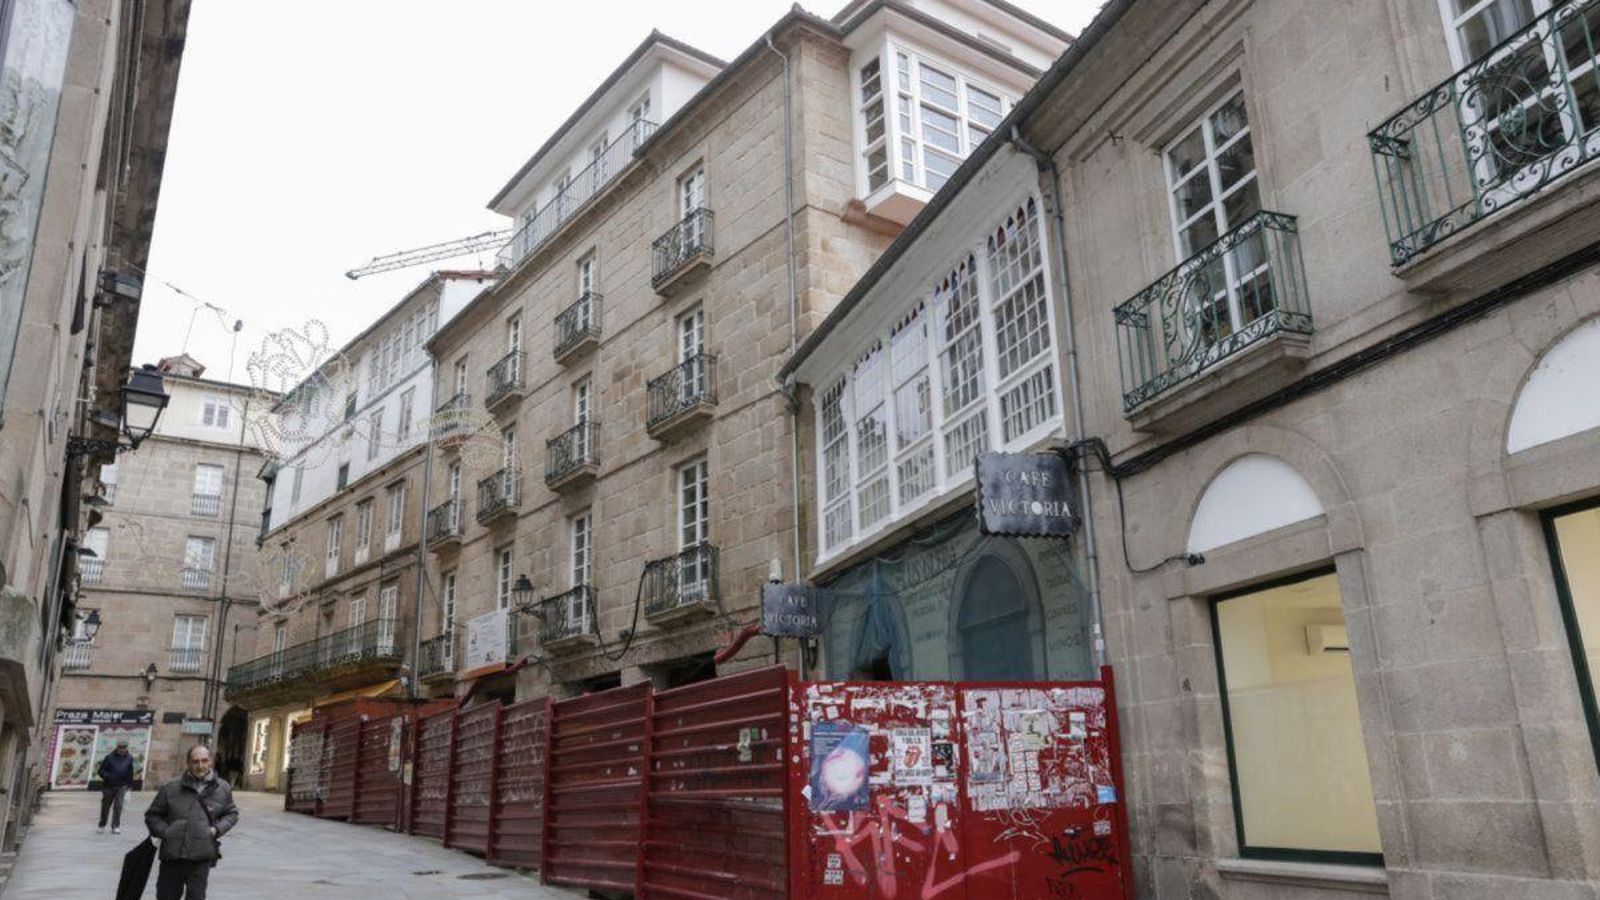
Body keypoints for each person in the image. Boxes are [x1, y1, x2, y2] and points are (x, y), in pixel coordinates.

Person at [144, 744, 238, 900]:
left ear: (210, 762)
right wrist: (166, 832)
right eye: (195, 762)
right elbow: (152, 815)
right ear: (188, 763)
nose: (200, 766)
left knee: (196, 897)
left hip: (201, 855)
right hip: (172, 855)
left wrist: (216, 829)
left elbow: (231, 814)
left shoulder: (222, 788)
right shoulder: (171, 787)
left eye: (204, 761)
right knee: (166, 896)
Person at [96, 739, 135, 834]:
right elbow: (100, 771)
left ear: (127, 748)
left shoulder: (130, 758)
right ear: (117, 748)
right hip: (108, 786)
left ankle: (116, 826)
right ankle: (102, 825)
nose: (122, 749)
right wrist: (107, 776)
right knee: (105, 806)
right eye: (120, 748)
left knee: (118, 807)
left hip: (122, 787)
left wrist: (129, 786)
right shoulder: (109, 757)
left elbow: (130, 772)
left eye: (124, 748)